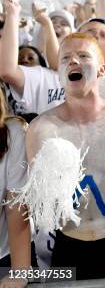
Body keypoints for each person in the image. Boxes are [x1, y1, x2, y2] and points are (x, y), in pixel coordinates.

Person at [26, 32, 105, 285]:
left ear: (101, 70)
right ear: (58, 71)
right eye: (65, 58)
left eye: (83, 55)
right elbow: (38, 207)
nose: (73, 61)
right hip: (67, 246)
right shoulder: (41, 128)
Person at [0, 0, 64, 116]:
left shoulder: (51, 75)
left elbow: (57, 64)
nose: (25, 60)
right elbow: (8, 70)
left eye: (31, 57)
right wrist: (12, 14)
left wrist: (47, 23)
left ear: (42, 64)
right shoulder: (32, 79)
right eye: (19, 58)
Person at [0, 86, 32, 288]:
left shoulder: (13, 133)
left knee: (64, 276)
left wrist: (19, 272)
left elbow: (15, 207)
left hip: (6, 257)